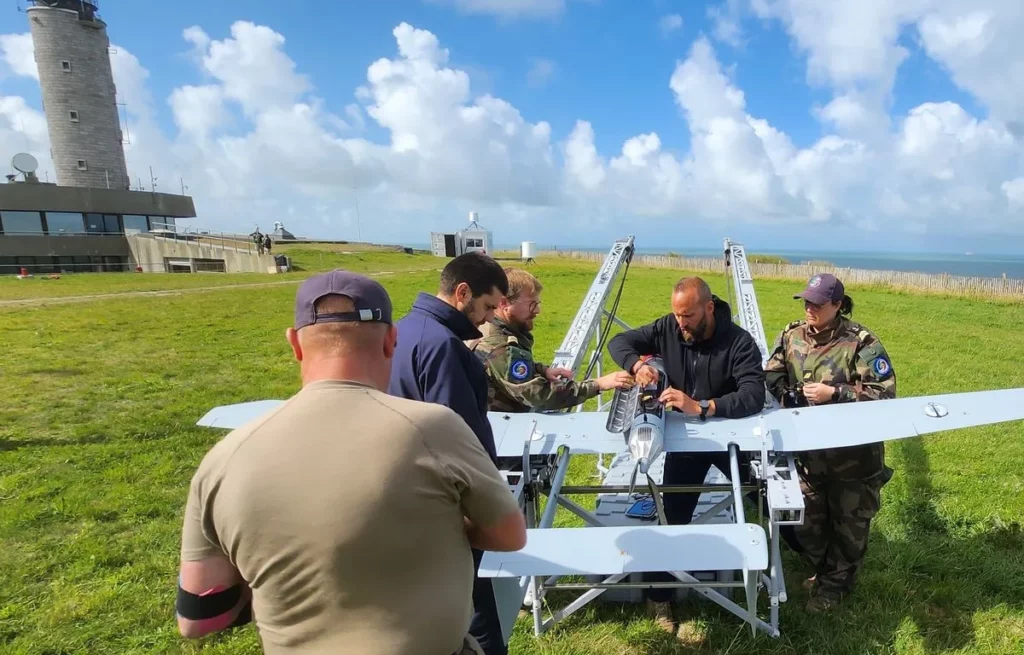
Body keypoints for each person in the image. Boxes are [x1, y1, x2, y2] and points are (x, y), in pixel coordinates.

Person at [176, 269, 526, 655]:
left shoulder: (224, 459)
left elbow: (198, 618)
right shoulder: (436, 429)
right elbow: (509, 534)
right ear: (391, 341)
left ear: (294, 344)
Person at [607, 276, 766, 633]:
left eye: (689, 315)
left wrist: (703, 406)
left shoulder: (739, 342)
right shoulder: (668, 327)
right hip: (686, 447)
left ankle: (800, 566)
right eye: (677, 315)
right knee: (673, 515)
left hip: (730, 440)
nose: (681, 323)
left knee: (766, 496)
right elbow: (620, 341)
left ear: (709, 308)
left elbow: (753, 393)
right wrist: (636, 365)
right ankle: (659, 596)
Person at [388, 252, 511, 655]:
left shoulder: (402, 332)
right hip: (447, 510)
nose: (490, 318)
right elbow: (459, 443)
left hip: (404, 500)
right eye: (489, 306)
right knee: (478, 614)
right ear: (463, 293)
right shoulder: (443, 346)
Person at [764, 273, 895, 613]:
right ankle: (826, 572)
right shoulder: (791, 335)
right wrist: (786, 394)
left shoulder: (862, 343)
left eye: (818, 304)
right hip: (808, 454)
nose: (810, 309)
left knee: (849, 527)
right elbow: (773, 372)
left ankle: (834, 588)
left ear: (837, 305)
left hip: (853, 460)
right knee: (807, 522)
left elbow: (885, 393)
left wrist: (835, 393)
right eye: (806, 301)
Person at [466, 268, 634, 415]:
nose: (537, 310)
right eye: (532, 304)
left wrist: (541, 370)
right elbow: (539, 395)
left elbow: (509, 368)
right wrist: (598, 384)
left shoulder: (487, 327)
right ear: (504, 303)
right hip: (499, 440)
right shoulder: (500, 346)